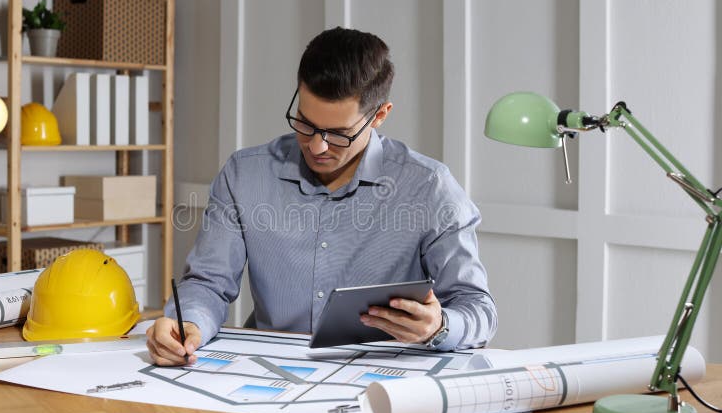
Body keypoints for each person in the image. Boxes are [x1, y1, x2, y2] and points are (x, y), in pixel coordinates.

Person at [147, 27, 497, 366]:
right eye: (305, 123)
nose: (317, 146)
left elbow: (477, 307)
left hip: (381, 376)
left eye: (339, 134)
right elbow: (208, 283)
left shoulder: (429, 186)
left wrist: (438, 326)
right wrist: (188, 323)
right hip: (268, 374)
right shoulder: (245, 174)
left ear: (379, 116)